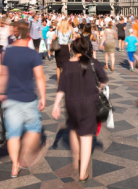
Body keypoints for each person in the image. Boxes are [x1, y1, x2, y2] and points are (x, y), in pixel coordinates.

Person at [52, 37, 108, 183]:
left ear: (73, 49)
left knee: (74, 128)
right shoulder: (93, 63)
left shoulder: (67, 65)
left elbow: (61, 87)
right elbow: (103, 80)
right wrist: (98, 88)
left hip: (71, 104)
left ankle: (76, 158)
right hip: (89, 103)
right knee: (86, 137)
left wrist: (56, 105)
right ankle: (82, 173)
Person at [0, 22, 46, 178]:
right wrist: (43, 97)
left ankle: (14, 166)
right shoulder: (33, 54)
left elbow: (2, 74)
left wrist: (0, 93)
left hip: (10, 98)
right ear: (28, 35)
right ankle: (25, 151)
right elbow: (40, 77)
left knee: (13, 134)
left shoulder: (6, 51)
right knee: (34, 129)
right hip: (29, 99)